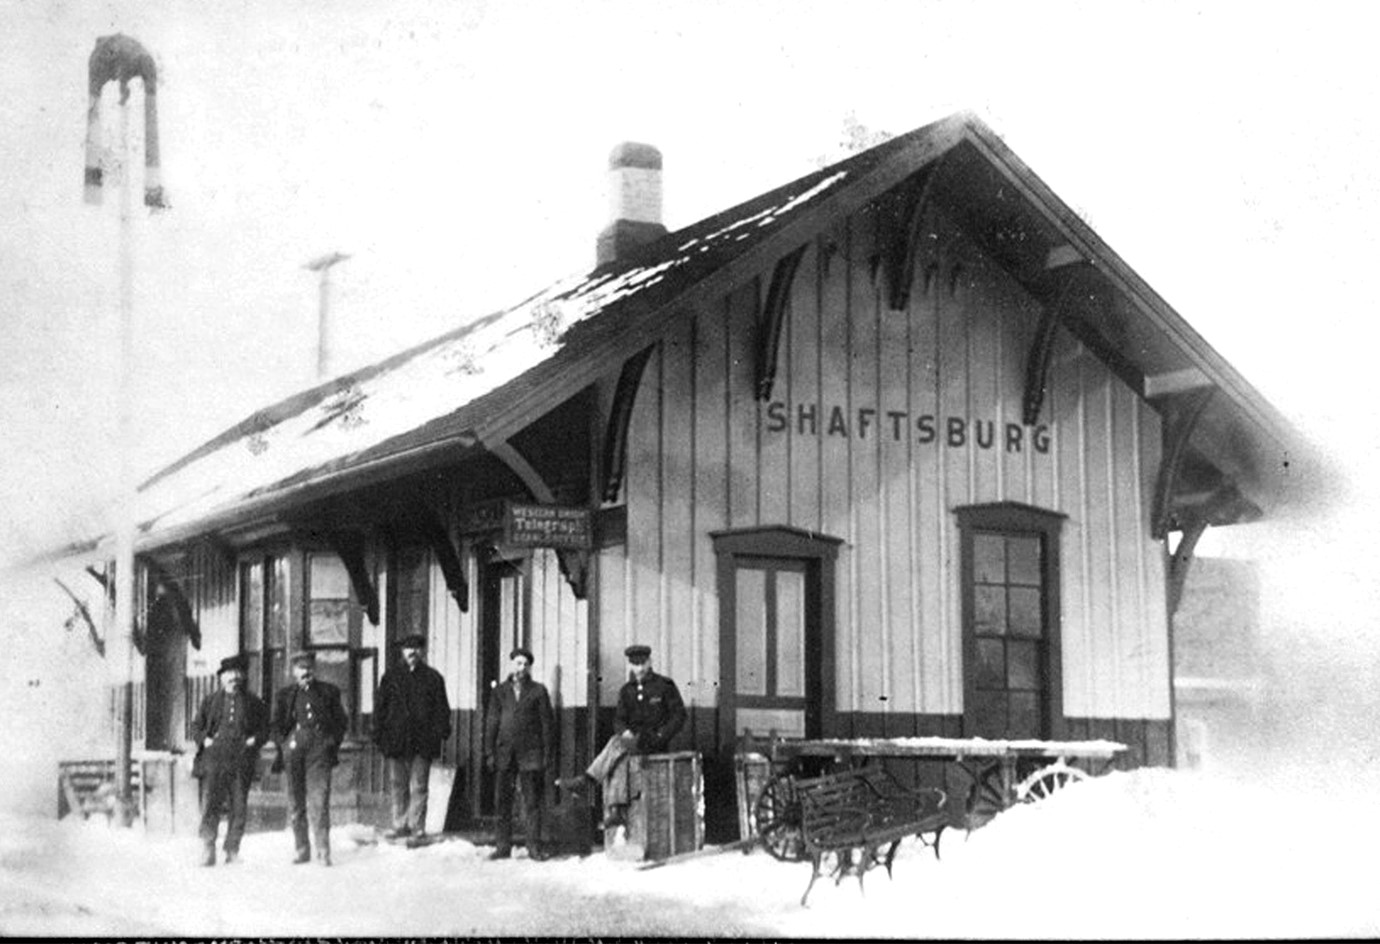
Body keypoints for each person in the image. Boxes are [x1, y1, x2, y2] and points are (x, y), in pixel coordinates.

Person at [566, 644, 686, 830]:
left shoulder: (664, 686)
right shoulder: (626, 691)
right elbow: (619, 721)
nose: (639, 668)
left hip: (656, 743)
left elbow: (679, 716)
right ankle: (616, 811)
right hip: (633, 743)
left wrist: (661, 735)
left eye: (643, 663)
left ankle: (589, 782)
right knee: (619, 756)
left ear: (650, 662)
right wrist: (625, 732)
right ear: (630, 665)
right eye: (635, 664)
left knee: (616, 745)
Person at [189, 654, 269, 866]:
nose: (233, 677)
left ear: (242, 675)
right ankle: (208, 848)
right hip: (214, 760)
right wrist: (204, 740)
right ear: (222, 677)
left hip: (241, 759)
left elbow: (265, 729)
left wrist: (254, 740)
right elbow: (196, 727)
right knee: (211, 804)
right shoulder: (210, 701)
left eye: (237, 673)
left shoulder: (253, 702)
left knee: (239, 806)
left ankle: (232, 850)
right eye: (229, 674)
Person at [373, 633, 452, 846]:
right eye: (408, 648)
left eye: (417, 648)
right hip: (396, 740)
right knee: (397, 784)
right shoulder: (390, 677)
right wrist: (379, 735)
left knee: (419, 786)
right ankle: (400, 825)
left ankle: (417, 827)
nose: (412, 652)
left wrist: (438, 733)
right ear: (402, 651)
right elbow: (380, 709)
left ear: (423, 651)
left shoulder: (434, 678)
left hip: (422, 741)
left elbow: (442, 710)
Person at [273, 651, 349, 866]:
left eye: (309, 668)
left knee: (319, 801)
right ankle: (302, 849)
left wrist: (330, 742)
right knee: (296, 803)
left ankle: (323, 851)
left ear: (314, 669)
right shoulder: (285, 695)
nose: (305, 672)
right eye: (301, 668)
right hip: (294, 751)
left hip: (319, 752)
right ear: (293, 671)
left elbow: (341, 721)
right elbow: (276, 725)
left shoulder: (328, 692)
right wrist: (285, 744)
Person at [483, 647, 555, 861]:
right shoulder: (500, 692)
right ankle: (502, 846)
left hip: (530, 755)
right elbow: (491, 723)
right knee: (502, 802)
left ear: (529, 667)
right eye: (518, 663)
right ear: (511, 664)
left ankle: (534, 847)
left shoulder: (538, 691)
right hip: (505, 753)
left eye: (525, 664)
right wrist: (489, 752)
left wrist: (546, 755)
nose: (521, 668)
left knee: (532, 802)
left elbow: (547, 725)